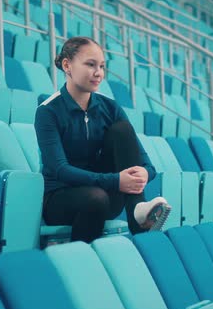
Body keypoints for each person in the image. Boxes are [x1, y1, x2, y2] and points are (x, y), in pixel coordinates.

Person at [34, 36, 171, 243]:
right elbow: (60, 169)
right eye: (90, 65)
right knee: (95, 197)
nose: (98, 73)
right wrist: (116, 180)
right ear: (67, 65)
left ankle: (138, 216)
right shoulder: (48, 111)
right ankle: (82, 259)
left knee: (122, 130)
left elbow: (146, 163)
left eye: (102, 66)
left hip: (106, 193)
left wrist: (144, 173)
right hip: (60, 199)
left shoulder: (110, 107)